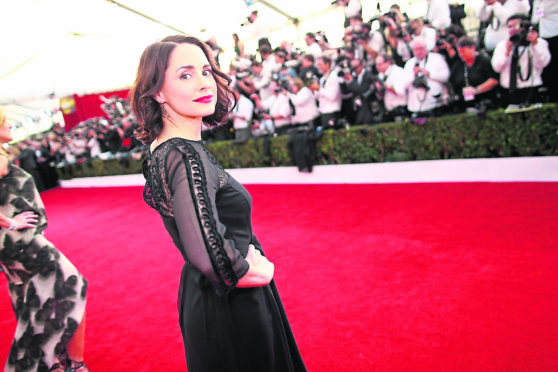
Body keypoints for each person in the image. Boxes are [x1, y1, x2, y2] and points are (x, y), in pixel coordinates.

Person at [130, 35, 307, 372]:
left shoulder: (164, 150)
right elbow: (214, 258)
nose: (202, 82)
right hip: (232, 305)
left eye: (206, 72)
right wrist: (260, 269)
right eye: (185, 75)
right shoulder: (183, 154)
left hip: (208, 300)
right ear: (158, 92)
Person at [0, 108, 89, 372]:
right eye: (6, 123)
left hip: (11, 244)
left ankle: (54, 364)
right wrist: (10, 222)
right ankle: (74, 363)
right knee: (72, 286)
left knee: (27, 297)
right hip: (21, 242)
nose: (12, 127)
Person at [491, 13, 551, 105]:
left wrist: (534, 44)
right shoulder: (502, 45)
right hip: (509, 91)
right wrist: (507, 52)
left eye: (515, 25)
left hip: (532, 89)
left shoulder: (539, 43)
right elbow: (497, 68)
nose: (512, 29)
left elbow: (543, 63)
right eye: (509, 26)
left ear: (525, 26)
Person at [404, 37, 450, 117]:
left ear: (426, 48)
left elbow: (446, 76)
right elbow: (404, 85)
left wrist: (429, 74)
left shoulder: (437, 58)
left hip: (435, 103)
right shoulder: (409, 63)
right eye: (416, 49)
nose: (419, 52)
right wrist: (414, 76)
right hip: (417, 105)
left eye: (421, 48)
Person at [450, 36, 499, 111]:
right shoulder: (458, 66)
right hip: (465, 104)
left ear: (472, 48)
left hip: (485, 102)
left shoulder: (484, 61)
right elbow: (452, 82)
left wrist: (477, 90)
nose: (461, 55)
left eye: (463, 51)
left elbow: (493, 80)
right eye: (459, 52)